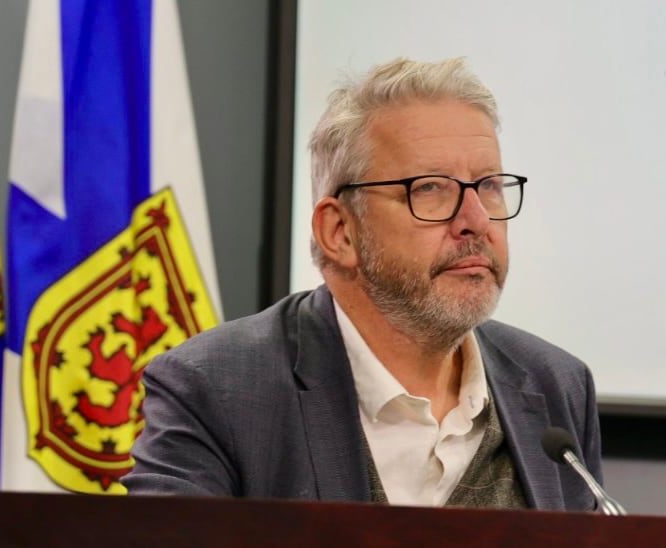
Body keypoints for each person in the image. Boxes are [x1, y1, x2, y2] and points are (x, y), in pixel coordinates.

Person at [122, 57, 602, 510]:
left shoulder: (556, 385)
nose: (476, 221)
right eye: (430, 188)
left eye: (490, 186)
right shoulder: (215, 389)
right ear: (340, 232)